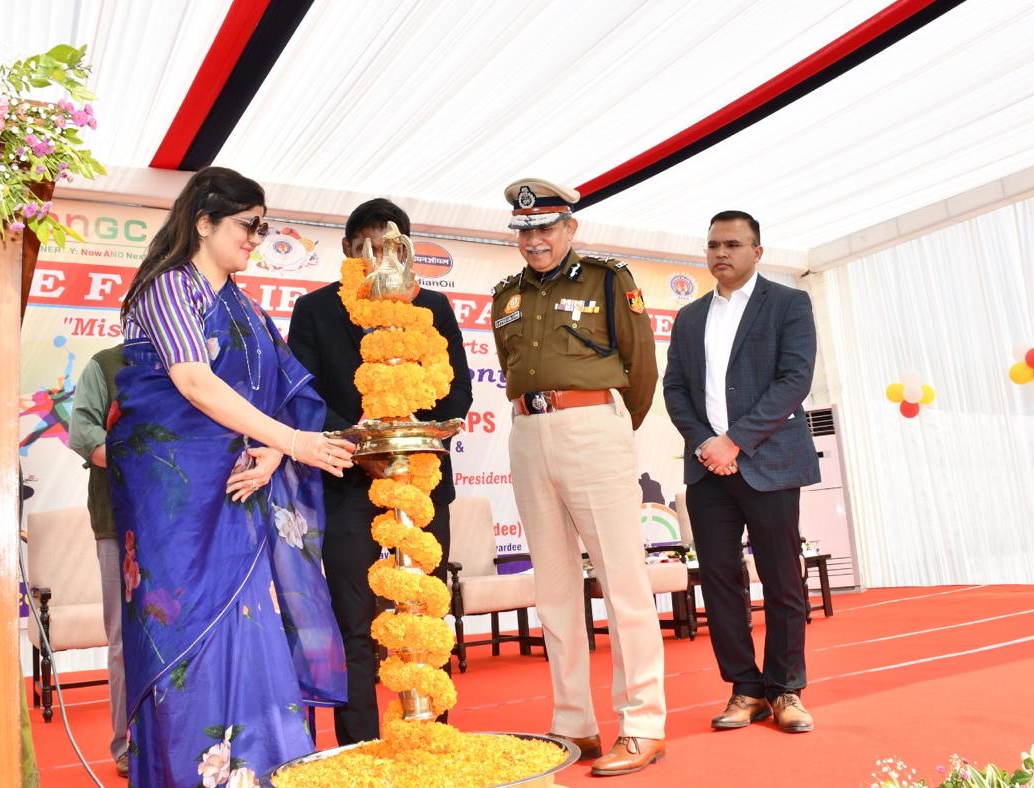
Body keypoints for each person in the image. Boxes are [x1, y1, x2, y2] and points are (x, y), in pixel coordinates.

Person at [107, 167, 355, 785]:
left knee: (255, 629)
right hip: (177, 502)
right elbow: (194, 383)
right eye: (248, 225)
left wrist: (273, 450)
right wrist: (293, 442)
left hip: (242, 495)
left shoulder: (244, 308)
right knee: (186, 632)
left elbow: (281, 392)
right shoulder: (169, 288)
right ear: (203, 222)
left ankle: (266, 771)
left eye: (262, 228)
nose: (256, 239)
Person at [490, 178, 666, 777]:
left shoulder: (606, 279)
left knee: (623, 582)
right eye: (524, 231)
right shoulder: (505, 294)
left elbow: (641, 365)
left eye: (545, 228)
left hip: (593, 426)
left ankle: (643, 724)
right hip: (527, 432)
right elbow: (511, 367)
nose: (534, 240)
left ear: (570, 227)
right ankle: (574, 722)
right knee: (554, 588)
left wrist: (609, 425)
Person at [287, 197, 473, 745]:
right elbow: (303, 396)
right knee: (355, 624)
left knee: (423, 617)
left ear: (406, 252)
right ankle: (360, 747)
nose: (377, 258)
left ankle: (430, 741)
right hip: (348, 484)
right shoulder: (316, 309)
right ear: (347, 250)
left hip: (420, 485)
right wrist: (357, 445)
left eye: (388, 247)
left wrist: (410, 440)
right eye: (364, 247)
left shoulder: (432, 307)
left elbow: (457, 391)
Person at [662, 210, 821, 734]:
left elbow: (794, 379)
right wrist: (707, 444)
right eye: (713, 245)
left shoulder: (789, 303)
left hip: (769, 463)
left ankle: (786, 689)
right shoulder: (689, 317)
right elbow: (675, 389)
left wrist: (735, 441)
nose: (721, 253)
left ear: (757, 251)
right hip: (708, 470)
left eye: (732, 244)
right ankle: (745, 689)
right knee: (720, 582)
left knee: (782, 580)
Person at [67, 342, 128, 776]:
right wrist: (136, 458)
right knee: (123, 637)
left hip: (181, 527)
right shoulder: (104, 366)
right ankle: (127, 744)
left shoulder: (191, 364)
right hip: (117, 521)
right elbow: (83, 432)